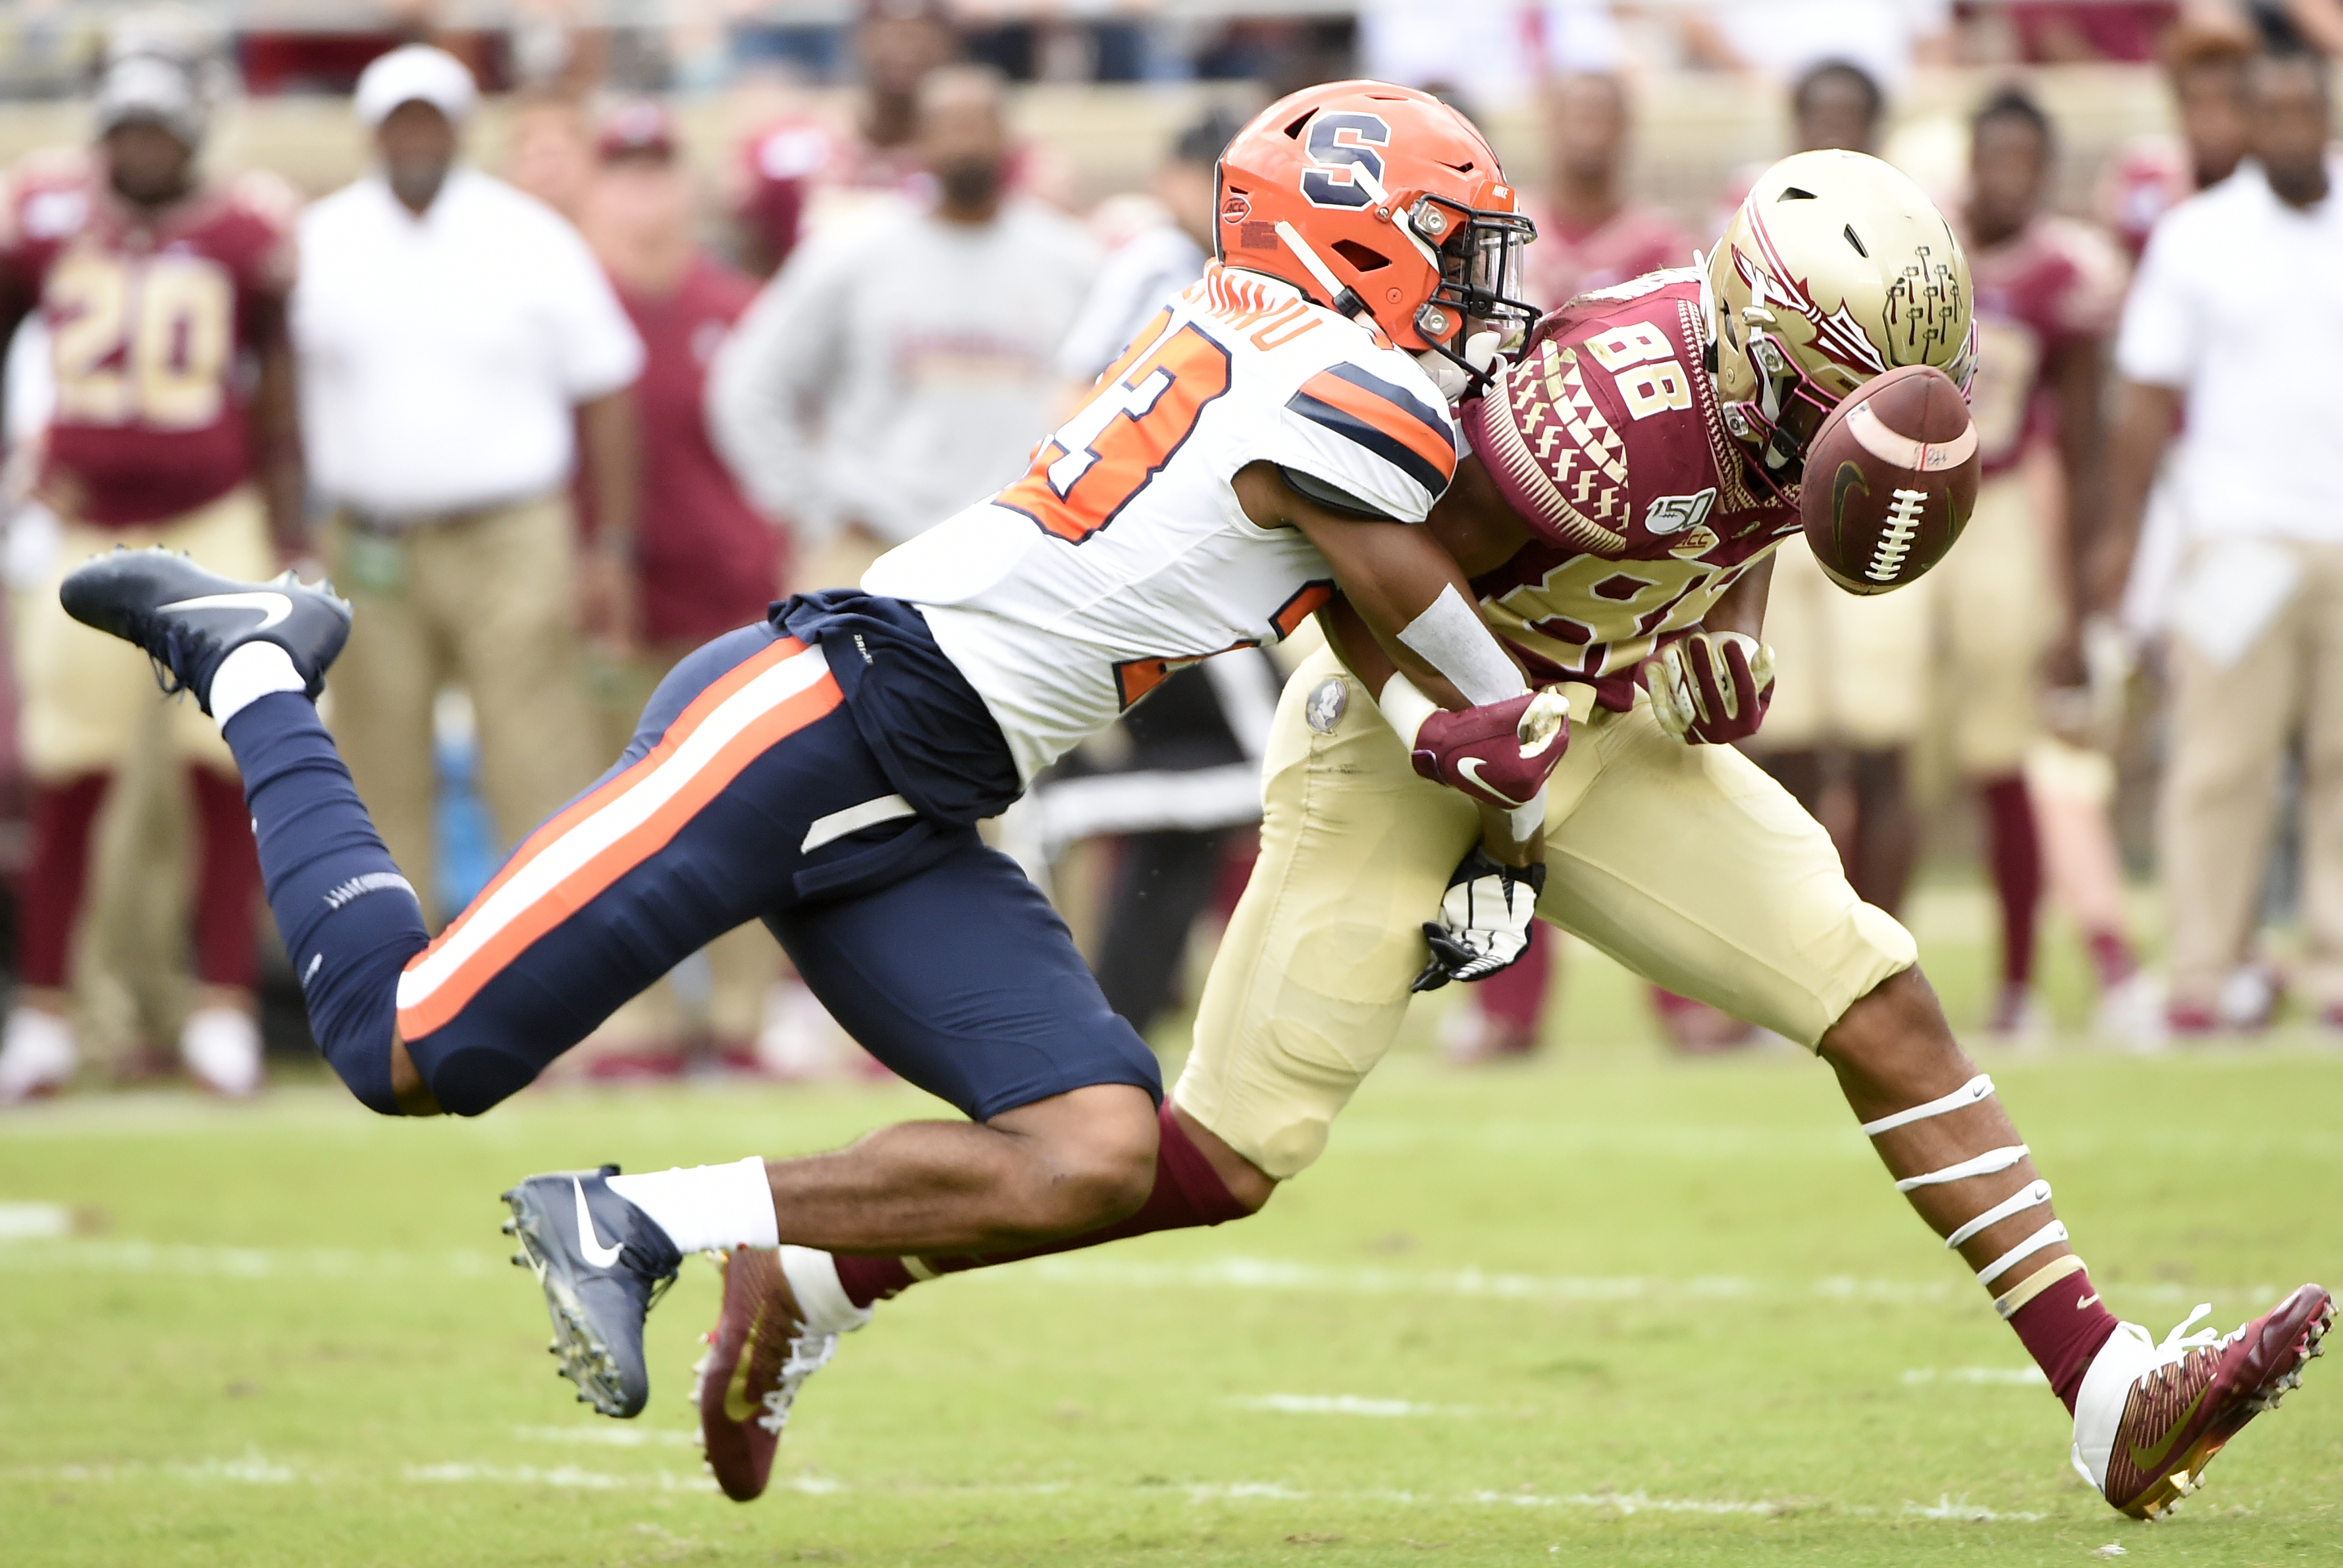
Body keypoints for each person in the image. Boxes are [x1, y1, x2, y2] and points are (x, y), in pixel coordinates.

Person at [740, 149, 2331, 1525]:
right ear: (1762, 347)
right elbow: (1358, 566)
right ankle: (827, 1261)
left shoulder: (1784, 401)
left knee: (1878, 994)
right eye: (1835, 394)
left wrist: (1725, 627)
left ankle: (2107, 1389)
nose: (1871, 426)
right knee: (1221, 1160)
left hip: (1597, 734)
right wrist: (1446, 727)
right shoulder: (1591, 415)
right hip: (1401, 743)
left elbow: (1752, 513)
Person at [63, 82, 1573, 1478]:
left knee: (1092, 1148)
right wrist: (1522, 756)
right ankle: (259, 662)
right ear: (1352, 237)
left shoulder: (1277, 349)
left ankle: (673, 1223)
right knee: (405, 1048)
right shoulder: (1330, 378)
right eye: (1452, 246)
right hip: (817, 721)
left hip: (915, 798)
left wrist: (1495, 814)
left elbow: (1374, 632)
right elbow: (1435, 629)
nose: (1473, 285)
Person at [0, 28, 301, 1101]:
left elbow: (278, 384)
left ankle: (220, 1006)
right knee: (68, 775)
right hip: (84, 534)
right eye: (123, 131)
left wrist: (288, 521)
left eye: (155, 131)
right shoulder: (44, 218)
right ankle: (44, 1011)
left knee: (223, 772)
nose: (139, 152)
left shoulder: (242, 228)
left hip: (213, 525)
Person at [292, 45, 643, 928]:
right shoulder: (320, 237)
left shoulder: (527, 233)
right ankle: (396, 999)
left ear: (460, 128)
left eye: (431, 118)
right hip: (367, 535)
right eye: (398, 119)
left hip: (510, 529)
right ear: (372, 131)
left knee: (538, 758)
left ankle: (567, 993)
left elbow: (606, 388)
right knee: (375, 767)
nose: (415, 136)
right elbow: (273, 391)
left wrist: (610, 545)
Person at [1446, 66, 1696, 1061]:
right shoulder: (1513, 235)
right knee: (1516, 755)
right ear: (1545, 123)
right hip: (1517, 519)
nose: (1586, 130)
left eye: (1603, 113)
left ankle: (1689, 996)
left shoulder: (1660, 247)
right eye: (1570, 111)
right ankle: (1510, 1002)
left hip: (1637, 533)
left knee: (1656, 746)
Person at [2094, 49, 2343, 1036]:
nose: (2286, 126)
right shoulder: (2197, 236)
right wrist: (2119, 541)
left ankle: (2331, 971)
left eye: (2303, 108)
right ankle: (2200, 974)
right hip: (2234, 531)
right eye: (2267, 110)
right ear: (2245, 120)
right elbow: (2146, 399)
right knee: (2215, 760)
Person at [566, 100, 787, 1074]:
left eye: (659, 170)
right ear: (591, 188)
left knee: (747, 806)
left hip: (728, 587)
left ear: (690, 187)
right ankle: (632, 1020)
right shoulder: (566, 302)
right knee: (610, 809)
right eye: (623, 171)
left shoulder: (736, 307)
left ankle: (742, 1014)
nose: (643, 193)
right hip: (607, 597)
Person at [709, 65, 1097, 595]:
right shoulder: (852, 250)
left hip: (1020, 559)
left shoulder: (1071, 261)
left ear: (1009, 139)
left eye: (980, 124)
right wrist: (812, 509)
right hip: (873, 552)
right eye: (948, 125)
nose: (967, 142)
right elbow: (749, 383)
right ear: (917, 141)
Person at [1952, 87, 2150, 1042]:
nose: (2007, 176)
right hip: (1909, 513)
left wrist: (2079, 582)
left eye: (2025, 158)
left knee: (2027, 758)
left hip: (2005, 512)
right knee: (1859, 751)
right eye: (1995, 154)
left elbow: (2074, 438)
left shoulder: (2063, 271)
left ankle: (2044, 976)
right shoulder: (1924, 254)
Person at [1740, 59, 1930, 934]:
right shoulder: (1750, 231)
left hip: (1878, 500)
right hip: (1778, 508)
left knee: (1883, 743)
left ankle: (1876, 942)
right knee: (1784, 750)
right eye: (1818, 116)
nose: (1833, 133)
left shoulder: (1919, 245)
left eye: (1850, 116)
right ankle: (1798, 942)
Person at [731, 0, 963, 276]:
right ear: (859, 38)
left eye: (921, 30)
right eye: (887, 28)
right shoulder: (795, 145)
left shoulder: (971, 156)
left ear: (948, 44)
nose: (905, 42)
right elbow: (752, 248)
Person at [1517, 72, 1691, 315]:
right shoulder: (1510, 227)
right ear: (1550, 125)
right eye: (1578, 116)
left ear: (1624, 129)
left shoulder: (1657, 241)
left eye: (1601, 117)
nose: (1588, 131)